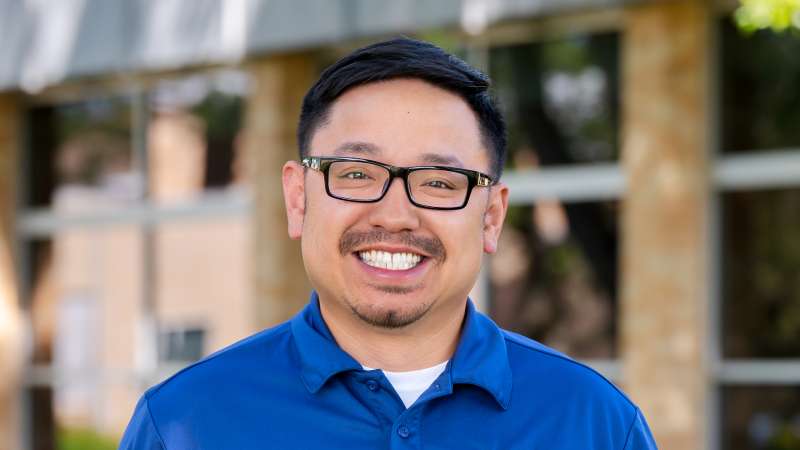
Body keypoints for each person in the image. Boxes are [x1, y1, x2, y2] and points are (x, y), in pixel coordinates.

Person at [119, 37, 657, 449]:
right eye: (355, 174)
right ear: (297, 198)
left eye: (439, 182)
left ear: (491, 217)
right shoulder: (183, 423)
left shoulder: (595, 424)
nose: (396, 215)